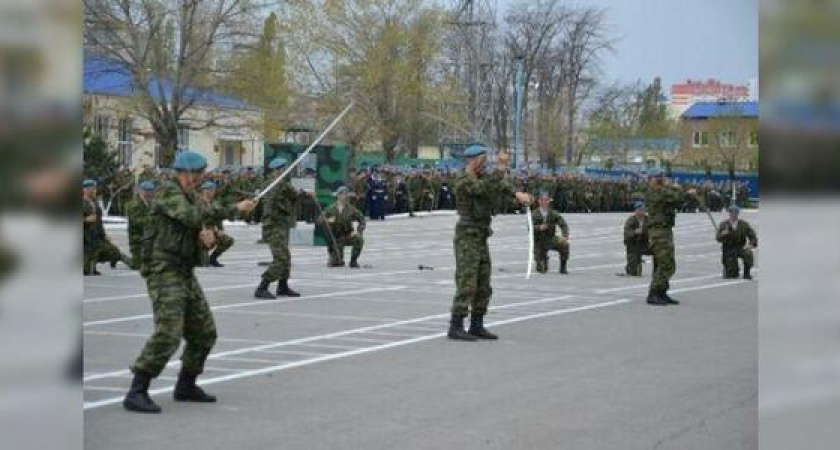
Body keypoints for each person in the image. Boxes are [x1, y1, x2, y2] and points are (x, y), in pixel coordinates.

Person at [123, 151, 256, 413]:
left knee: (204, 332)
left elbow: (195, 226)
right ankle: (137, 390)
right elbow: (192, 217)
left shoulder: (190, 196)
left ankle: (186, 385)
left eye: (199, 174)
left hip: (183, 270)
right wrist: (234, 208)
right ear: (182, 174)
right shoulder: (168, 192)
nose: (196, 179)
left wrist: (206, 239)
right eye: (192, 174)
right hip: (164, 270)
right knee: (169, 332)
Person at [448, 145, 532, 341]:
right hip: (467, 235)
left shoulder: (484, 177)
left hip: (481, 234)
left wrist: (518, 195)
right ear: (472, 160)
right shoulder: (463, 180)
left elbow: (500, 186)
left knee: (483, 283)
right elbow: (483, 188)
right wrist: (500, 169)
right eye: (482, 160)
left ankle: (477, 324)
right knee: (467, 282)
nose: (485, 165)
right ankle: (456, 325)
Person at [255, 157, 310, 299]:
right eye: (283, 169)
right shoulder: (279, 183)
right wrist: (305, 193)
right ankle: (262, 287)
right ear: (278, 170)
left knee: (286, 256)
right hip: (274, 226)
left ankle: (283, 286)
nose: (285, 171)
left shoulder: (270, 183)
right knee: (281, 258)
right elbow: (294, 194)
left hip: (278, 225)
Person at [644, 170, 697, 306]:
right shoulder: (657, 191)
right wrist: (679, 189)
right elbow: (677, 198)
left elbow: (678, 203)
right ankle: (654, 293)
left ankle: (661, 292)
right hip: (659, 231)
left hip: (663, 230)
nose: (662, 180)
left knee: (661, 263)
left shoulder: (661, 190)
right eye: (659, 178)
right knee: (666, 264)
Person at [83, 179, 131, 275]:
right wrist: (85, 220)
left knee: (113, 251)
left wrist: (104, 235)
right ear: (84, 190)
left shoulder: (95, 203)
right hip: (84, 240)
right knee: (87, 271)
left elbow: (99, 222)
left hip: (95, 237)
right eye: (91, 188)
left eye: (94, 188)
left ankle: (129, 262)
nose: (94, 190)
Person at [319, 186, 366, 268]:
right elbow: (319, 220)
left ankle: (353, 261)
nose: (344, 196)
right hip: (336, 238)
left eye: (346, 194)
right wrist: (328, 220)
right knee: (337, 263)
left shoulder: (351, 209)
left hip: (348, 235)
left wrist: (359, 230)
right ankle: (334, 257)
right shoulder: (330, 209)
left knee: (359, 239)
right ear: (338, 195)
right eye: (342, 194)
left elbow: (362, 219)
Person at [531, 190, 571, 274]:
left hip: (550, 238)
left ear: (549, 201)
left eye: (546, 200)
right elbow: (530, 228)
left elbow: (563, 224)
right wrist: (539, 228)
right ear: (539, 201)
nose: (544, 202)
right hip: (539, 242)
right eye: (542, 200)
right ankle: (543, 261)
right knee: (542, 270)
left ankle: (563, 267)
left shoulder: (553, 213)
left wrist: (565, 235)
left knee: (564, 244)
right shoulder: (534, 214)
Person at [199, 180, 235, 267]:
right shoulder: (197, 203)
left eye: (212, 190)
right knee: (203, 263)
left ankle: (213, 258)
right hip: (199, 231)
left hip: (211, 229)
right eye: (208, 190)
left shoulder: (215, 203)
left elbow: (218, 218)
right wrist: (204, 230)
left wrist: (220, 230)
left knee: (228, 240)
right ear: (204, 191)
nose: (211, 192)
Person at [716, 205, 757, 279]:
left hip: (740, 247)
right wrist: (723, 234)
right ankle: (729, 269)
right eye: (731, 212)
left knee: (748, 253)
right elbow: (718, 238)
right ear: (729, 213)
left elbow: (752, 235)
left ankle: (747, 273)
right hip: (728, 248)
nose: (733, 214)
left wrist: (751, 244)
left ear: (738, 213)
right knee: (732, 275)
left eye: (735, 212)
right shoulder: (724, 224)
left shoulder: (744, 224)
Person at [126, 180, 156, 270]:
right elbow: (137, 222)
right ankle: (122, 258)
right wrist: (153, 221)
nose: (149, 193)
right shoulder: (133, 205)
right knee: (137, 266)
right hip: (138, 240)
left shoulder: (152, 204)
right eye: (146, 191)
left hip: (151, 239)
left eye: (151, 191)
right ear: (140, 191)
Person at [622, 202, 650, 277]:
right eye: (639, 210)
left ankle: (658, 270)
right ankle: (631, 266)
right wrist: (634, 232)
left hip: (646, 243)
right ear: (635, 211)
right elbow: (627, 233)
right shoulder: (630, 220)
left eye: (643, 210)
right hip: (633, 245)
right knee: (634, 273)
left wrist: (645, 232)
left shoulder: (648, 219)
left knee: (659, 250)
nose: (641, 212)